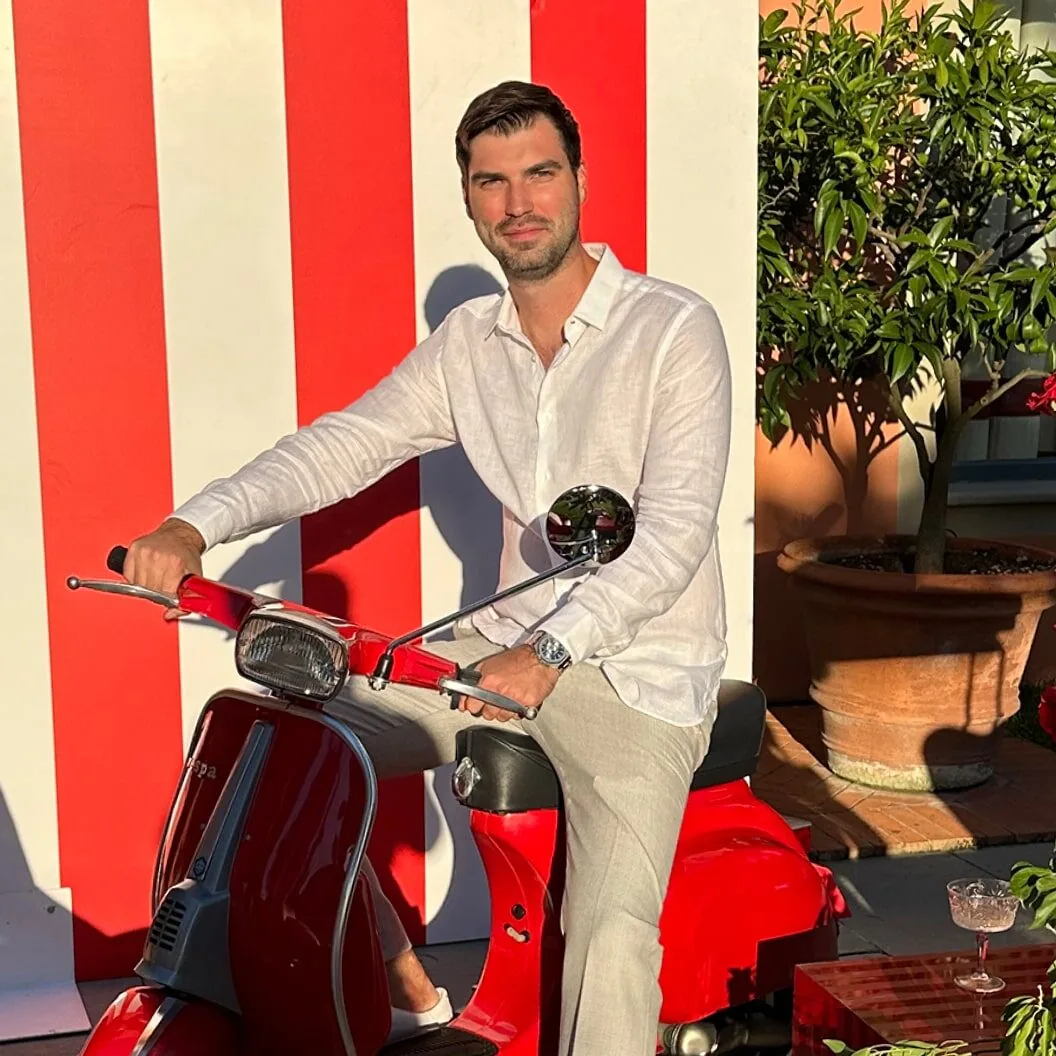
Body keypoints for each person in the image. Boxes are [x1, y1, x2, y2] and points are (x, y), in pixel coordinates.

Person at [122, 80, 732, 1056]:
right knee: (286, 750)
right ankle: (402, 981)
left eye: (539, 173)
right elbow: (345, 446)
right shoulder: (468, 346)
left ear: (579, 180)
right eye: (492, 182)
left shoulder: (672, 329)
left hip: (638, 674)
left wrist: (552, 650)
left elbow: (674, 535)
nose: (519, 203)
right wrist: (196, 526)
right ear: (468, 198)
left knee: (612, 938)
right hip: (498, 649)